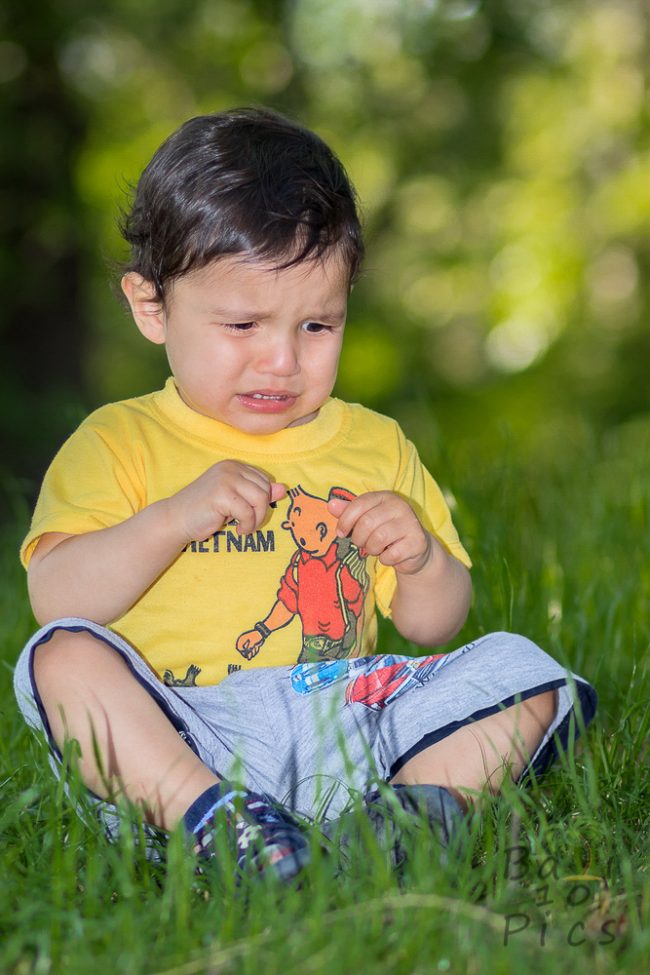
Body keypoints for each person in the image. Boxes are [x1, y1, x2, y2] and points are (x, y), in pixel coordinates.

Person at [13, 107, 596, 882]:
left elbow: (433, 623)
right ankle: (217, 822)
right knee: (57, 659)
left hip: (345, 720)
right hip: (184, 733)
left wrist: (419, 557)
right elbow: (56, 595)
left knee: (527, 673)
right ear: (151, 307)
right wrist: (173, 518)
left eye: (317, 326)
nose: (281, 360)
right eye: (244, 323)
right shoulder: (118, 442)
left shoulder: (374, 443)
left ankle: (393, 824)